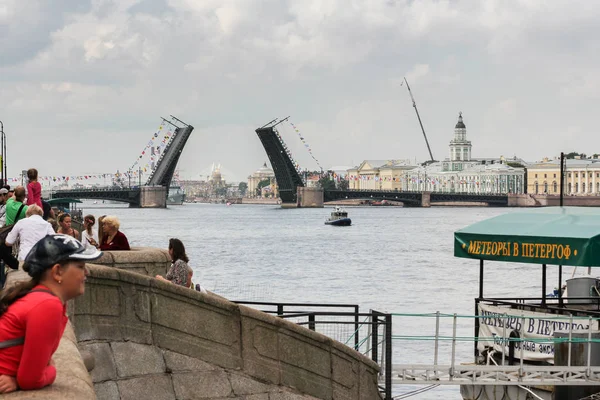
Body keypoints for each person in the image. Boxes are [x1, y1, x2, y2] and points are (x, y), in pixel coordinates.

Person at [0, 234, 102, 393]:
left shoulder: (40, 298)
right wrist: (52, 372)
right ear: (58, 272)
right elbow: (30, 379)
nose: (87, 273)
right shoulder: (48, 305)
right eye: (81, 267)